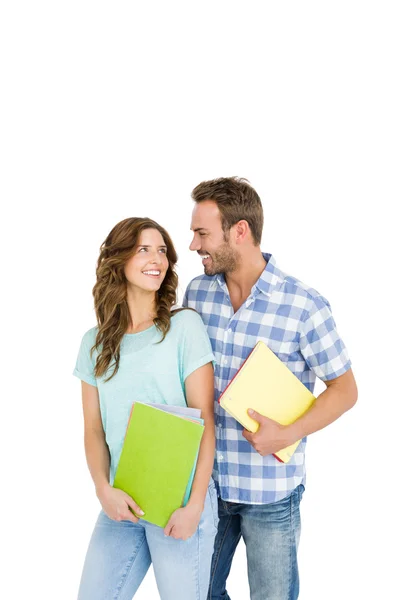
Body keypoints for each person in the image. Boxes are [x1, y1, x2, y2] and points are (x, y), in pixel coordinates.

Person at [183, 177, 358, 600]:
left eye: (202, 233)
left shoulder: (303, 305)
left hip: (271, 492)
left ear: (239, 231)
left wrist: (289, 431)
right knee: (196, 593)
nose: (192, 245)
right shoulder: (197, 294)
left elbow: (345, 389)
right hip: (207, 486)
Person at [73, 217, 218, 600]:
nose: (157, 258)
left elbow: (204, 420)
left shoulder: (184, 327)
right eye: (143, 249)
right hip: (122, 502)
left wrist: (196, 505)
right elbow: (93, 429)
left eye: (162, 250)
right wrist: (103, 489)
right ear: (118, 260)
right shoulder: (95, 344)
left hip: (180, 504)